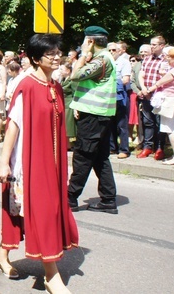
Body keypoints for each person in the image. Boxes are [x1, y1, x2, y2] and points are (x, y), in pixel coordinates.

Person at [0, 34, 78, 294]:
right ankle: (51, 276)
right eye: (49, 53)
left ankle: (0, 254)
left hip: (52, 163)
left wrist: (67, 161)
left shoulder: (56, 86)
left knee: (35, 212)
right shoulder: (26, 85)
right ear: (35, 58)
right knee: (40, 212)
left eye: (57, 52)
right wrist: (3, 163)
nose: (56, 56)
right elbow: (13, 126)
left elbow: (58, 127)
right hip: (28, 163)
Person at [67, 26, 118, 214]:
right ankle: (108, 199)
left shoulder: (101, 60)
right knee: (100, 157)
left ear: (90, 42)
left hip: (94, 115)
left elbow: (75, 75)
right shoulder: (103, 59)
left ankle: (70, 198)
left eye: (84, 41)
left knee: (83, 155)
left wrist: (82, 55)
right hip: (99, 113)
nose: (81, 45)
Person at [142, 47, 174, 165]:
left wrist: (147, 90)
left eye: (168, 58)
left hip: (171, 100)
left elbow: (160, 83)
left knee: (170, 128)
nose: (167, 60)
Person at [136, 36, 169, 160]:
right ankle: (147, 147)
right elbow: (141, 74)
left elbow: (166, 79)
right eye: (151, 44)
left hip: (159, 95)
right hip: (146, 94)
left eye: (154, 44)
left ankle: (160, 147)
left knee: (159, 122)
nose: (152, 47)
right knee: (147, 121)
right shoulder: (147, 59)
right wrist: (144, 88)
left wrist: (151, 90)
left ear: (162, 46)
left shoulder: (166, 61)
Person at [107, 42, 132, 158]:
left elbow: (125, 79)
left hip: (120, 95)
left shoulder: (124, 62)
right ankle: (112, 147)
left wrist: (111, 83)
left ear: (119, 51)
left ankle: (124, 149)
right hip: (108, 96)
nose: (111, 52)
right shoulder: (106, 62)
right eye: (109, 50)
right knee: (110, 122)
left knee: (122, 124)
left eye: (114, 50)